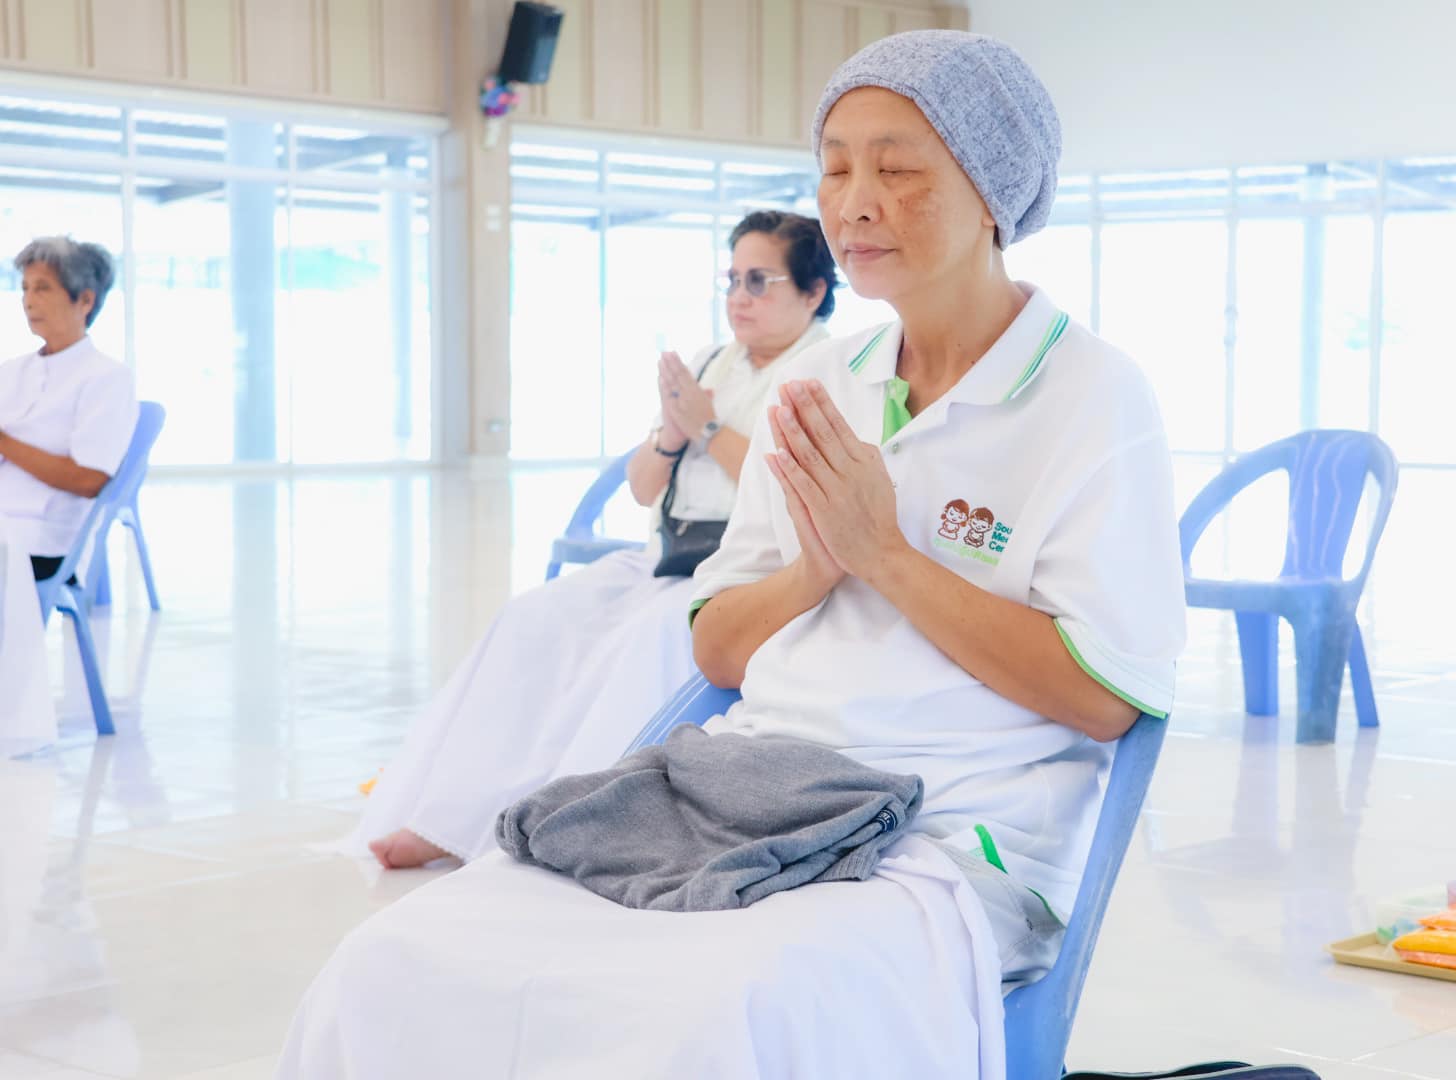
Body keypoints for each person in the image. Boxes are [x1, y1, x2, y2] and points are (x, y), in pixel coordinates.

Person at [278, 31, 1186, 1079]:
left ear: (993, 191)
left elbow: (1105, 698)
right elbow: (716, 652)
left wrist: (885, 554)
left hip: (948, 835)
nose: (853, 202)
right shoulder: (824, 384)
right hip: (745, 789)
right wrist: (818, 568)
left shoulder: (1092, 398)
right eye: (836, 166)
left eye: (896, 168)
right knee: (392, 961)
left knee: (695, 1018)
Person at [355, 210, 839, 869]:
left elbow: (793, 490)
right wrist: (672, 432)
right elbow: (642, 488)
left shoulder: (827, 373)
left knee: (635, 645)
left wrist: (703, 427)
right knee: (533, 620)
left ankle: (555, 824)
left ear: (812, 294)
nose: (738, 299)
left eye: (760, 281)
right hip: (669, 555)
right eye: (731, 281)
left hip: (748, 572)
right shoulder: (708, 363)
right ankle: (452, 814)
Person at [0, 237, 137, 579]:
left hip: (43, 542)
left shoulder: (107, 378)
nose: (29, 301)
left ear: (85, 300)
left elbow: (87, 478)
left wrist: (4, 443)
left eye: (43, 288)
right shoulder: (11, 371)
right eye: (25, 288)